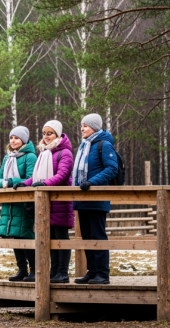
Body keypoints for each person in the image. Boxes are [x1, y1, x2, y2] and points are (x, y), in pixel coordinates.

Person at [14, 120, 74, 283]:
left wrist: (45, 184)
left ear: (57, 134)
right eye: (44, 133)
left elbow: (62, 175)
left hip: (60, 202)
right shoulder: (44, 153)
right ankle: (53, 272)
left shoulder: (65, 153)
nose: (46, 136)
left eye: (50, 133)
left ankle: (63, 272)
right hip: (46, 203)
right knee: (51, 238)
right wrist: (25, 183)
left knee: (61, 237)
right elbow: (36, 177)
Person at [71, 113, 118, 285]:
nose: (82, 129)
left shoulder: (104, 145)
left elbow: (112, 168)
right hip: (82, 198)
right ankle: (92, 272)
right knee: (87, 237)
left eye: (86, 126)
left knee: (98, 236)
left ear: (95, 128)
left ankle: (102, 273)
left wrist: (92, 182)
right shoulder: (85, 146)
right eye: (81, 126)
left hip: (97, 198)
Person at [0, 126, 38, 282]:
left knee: (26, 235)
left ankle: (34, 269)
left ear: (24, 140)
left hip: (25, 203)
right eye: (11, 138)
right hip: (10, 203)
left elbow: (31, 178)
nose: (13, 141)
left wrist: (10, 181)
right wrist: (4, 183)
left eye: (17, 138)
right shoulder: (8, 157)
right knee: (14, 234)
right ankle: (22, 269)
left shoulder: (30, 157)